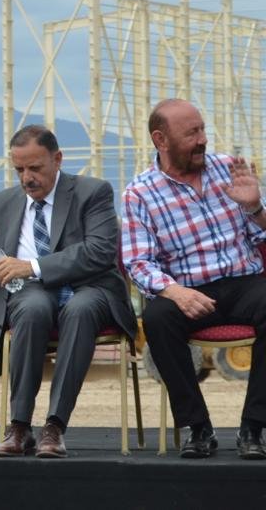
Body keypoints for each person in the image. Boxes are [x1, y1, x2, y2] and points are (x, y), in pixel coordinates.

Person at [0, 125, 135, 458]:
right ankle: (20, 426)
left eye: (35, 168)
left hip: (91, 287)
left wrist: (32, 266)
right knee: (32, 308)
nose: (27, 178)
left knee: (80, 310)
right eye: (20, 170)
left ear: (57, 159)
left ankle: (55, 425)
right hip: (32, 293)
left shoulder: (93, 192)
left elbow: (99, 252)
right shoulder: (1, 202)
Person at [122, 98, 266, 460]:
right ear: (161, 140)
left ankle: (254, 427)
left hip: (245, 282)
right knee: (157, 318)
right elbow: (138, 262)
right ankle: (197, 428)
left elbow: (262, 234)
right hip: (187, 289)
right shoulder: (140, 193)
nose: (202, 139)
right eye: (191, 133)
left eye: (202, 129)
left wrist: (255, 207)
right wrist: (175, 292)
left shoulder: (230, 170)